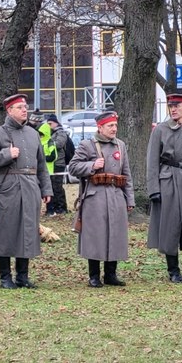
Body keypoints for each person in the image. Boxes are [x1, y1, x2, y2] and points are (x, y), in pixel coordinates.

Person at [0, 94, 52, 289]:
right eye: (20, 107)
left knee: (27, 231)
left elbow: (41, 165)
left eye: (25, 106)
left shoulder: (32, 133)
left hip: (30, 187)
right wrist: (6, 154)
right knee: (5, 232)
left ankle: (22, 276)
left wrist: (46, 188)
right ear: (9, 111)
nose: (24, 110)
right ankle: (5, 277)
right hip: (7, 189)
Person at [69, 111, 135, 287]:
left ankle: (110, 274)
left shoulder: (120, 146)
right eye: (110, 126)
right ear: (100, 127)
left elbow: (126, 173)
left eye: (115, 125)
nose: (114, 129)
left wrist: (130, 199)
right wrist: (91, 165)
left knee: (115, 234)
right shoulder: (87, 145)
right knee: (95, 236)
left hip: (115, 194)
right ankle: (94, 276)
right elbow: (73, 167)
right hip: (95, 195)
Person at [147, 94, 182, 283]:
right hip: (168, 180)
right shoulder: (160, 130)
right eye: (170, 106)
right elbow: (152, 161)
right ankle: (173, 270)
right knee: (169, 226)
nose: (173, 109)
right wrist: (154, 189)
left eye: (177, 105)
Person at [46, 114, 69, 215]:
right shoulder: (51, 133)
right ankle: (54, 207)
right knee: (51, 186)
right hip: (52, 163)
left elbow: (59, 144)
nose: (49, 126)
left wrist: (48, 143)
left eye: (50, 123)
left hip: (58, 163)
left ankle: (61, 208)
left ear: (56, 123)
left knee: (57, 186)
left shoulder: (61, 133)